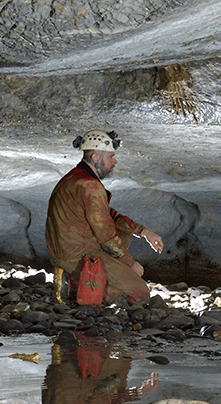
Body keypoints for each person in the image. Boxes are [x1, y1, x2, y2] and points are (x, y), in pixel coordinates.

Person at [45, 128, 164, 305]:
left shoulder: (73, 178)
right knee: (140, 293)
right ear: (95, 158)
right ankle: (77, 285)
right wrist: (131, 265)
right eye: (110, 157)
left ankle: (74, 278)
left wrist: (144, 232)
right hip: (78, 255)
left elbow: (110, 216)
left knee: (122, 232)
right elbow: (106, 237)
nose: (114, 162)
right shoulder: (90, 186)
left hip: (62, 250)